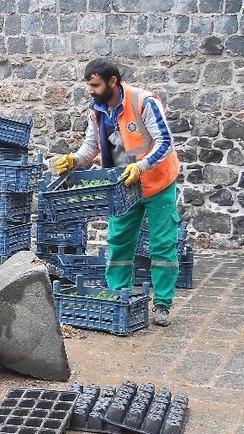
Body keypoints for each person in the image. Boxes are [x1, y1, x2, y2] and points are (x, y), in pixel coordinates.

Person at [54, 58, 182, 327]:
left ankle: (162, 304)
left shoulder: (143, 102)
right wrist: (74, 160)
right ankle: (117, 295)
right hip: (123, 186)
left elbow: (165, 142)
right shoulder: (96, 110)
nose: (91, 90)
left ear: (113, 81)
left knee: (161, 244)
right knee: (119, 242)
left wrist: (141, 166)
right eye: (89, 85)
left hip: (157, 183)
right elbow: (91, 149)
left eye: (95, 85)